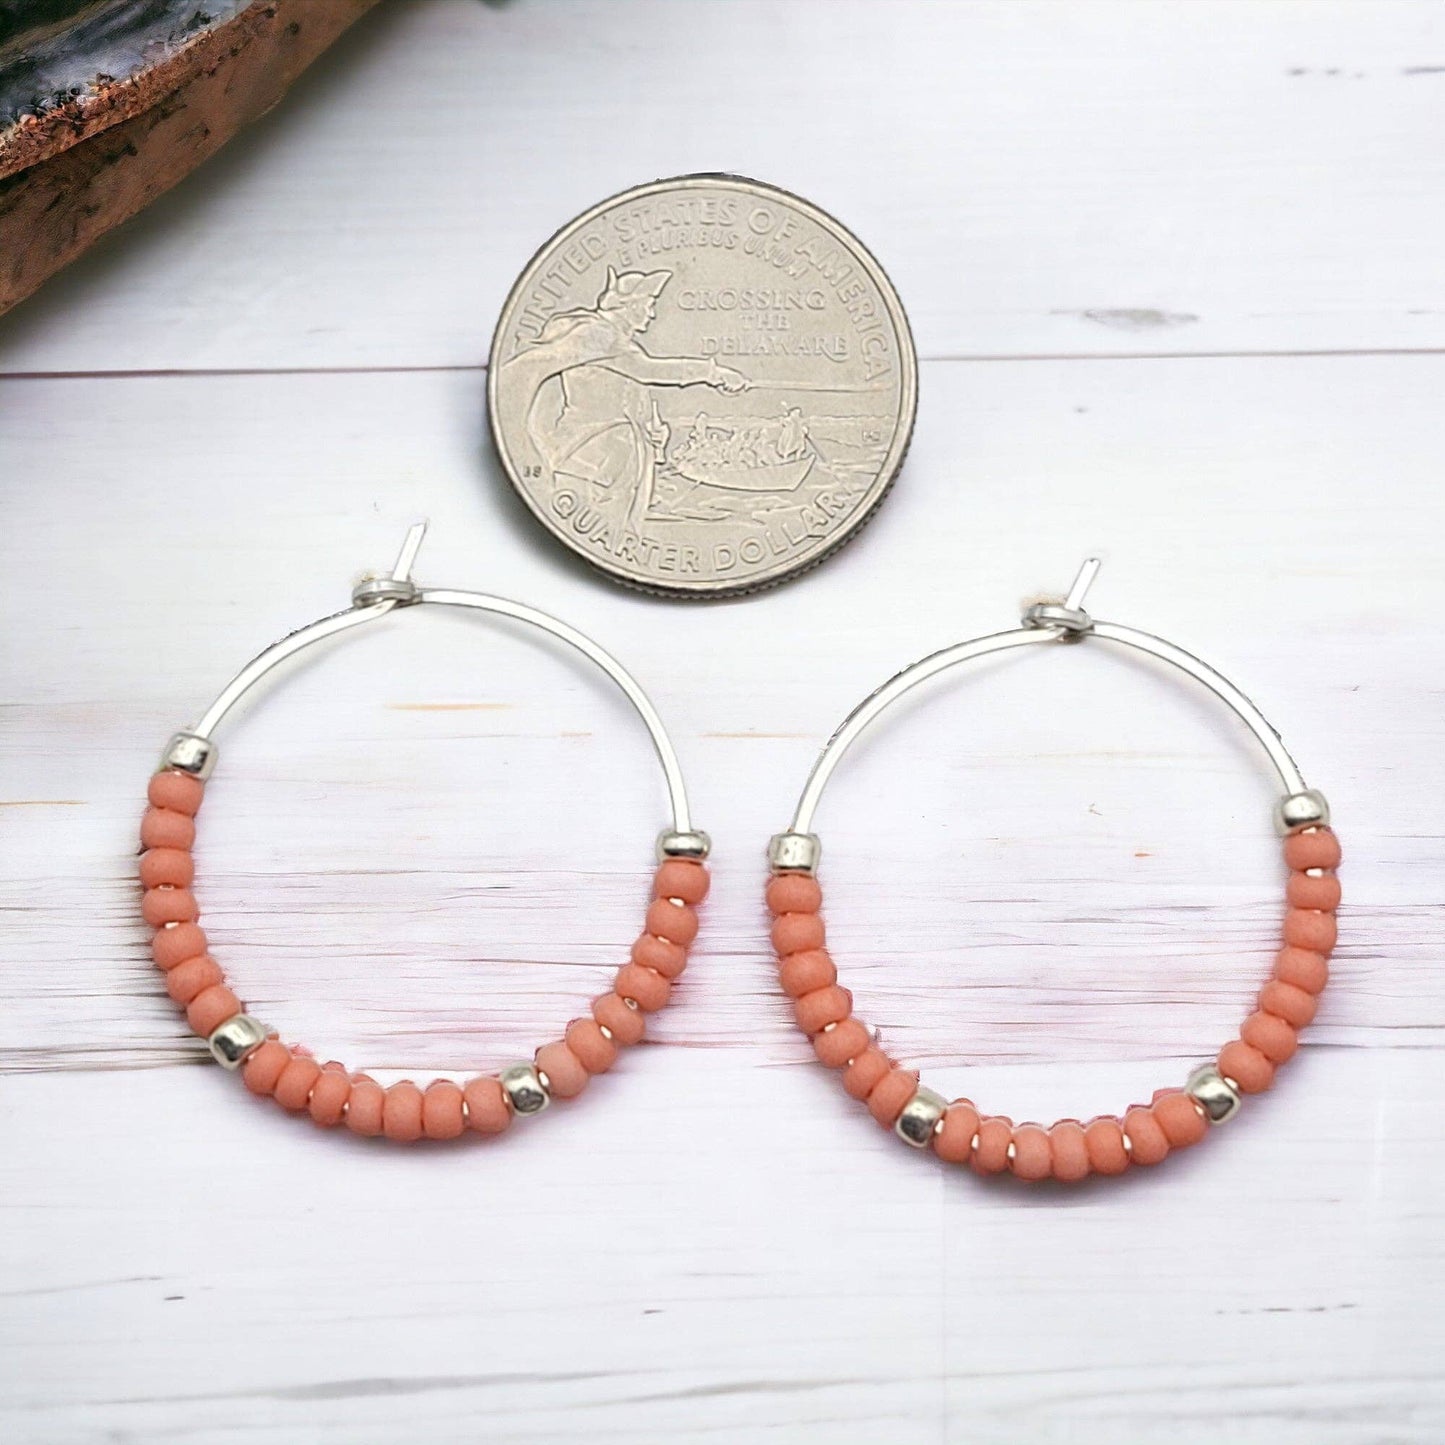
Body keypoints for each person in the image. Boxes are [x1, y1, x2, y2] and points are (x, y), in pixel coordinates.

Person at [501, 268, 748, 529]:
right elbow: (650, 370)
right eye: (648, 305)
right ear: (628, 306)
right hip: (592, 462)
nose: (651, 314)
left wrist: (650, 431)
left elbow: (623, 393)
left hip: (606, 461)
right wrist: (713, 373)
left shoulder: (611, 341)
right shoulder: (601, 336)